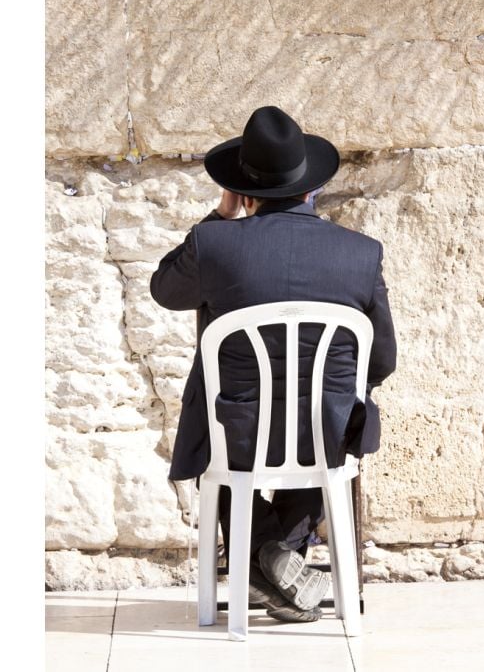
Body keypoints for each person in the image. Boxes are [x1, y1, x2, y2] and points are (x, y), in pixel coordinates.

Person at [149, 105, 397, 623]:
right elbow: (384, 359)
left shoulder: (215, 244)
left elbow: (166, 291)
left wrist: (220, 216)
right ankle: (278, 556)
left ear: (244, 192)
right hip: (325, 433)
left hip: (234, 430)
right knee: (329, 432)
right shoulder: (361, 253)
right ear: (312, 188)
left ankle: (265, 556)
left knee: (220, 450)